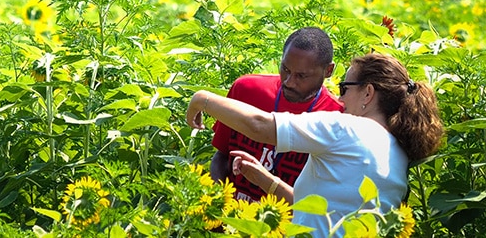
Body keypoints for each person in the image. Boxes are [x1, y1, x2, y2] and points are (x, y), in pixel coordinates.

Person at [188, 51, 444, 235]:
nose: (339, 100)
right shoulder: (398, 153)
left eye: (344, 88)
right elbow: (325, 211)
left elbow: (261, 126)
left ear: (368, 92)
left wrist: (203, 99)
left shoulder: (344, 128)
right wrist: (267, 181)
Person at [209, 27, 342, 202]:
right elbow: (221, 156)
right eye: (285, 69)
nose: (289, 82)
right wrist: (219, 202)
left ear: (328, 71)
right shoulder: (246, 90)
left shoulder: (337, 118)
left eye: (301, 76)